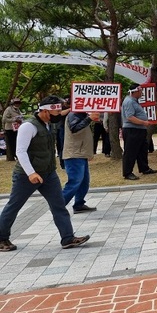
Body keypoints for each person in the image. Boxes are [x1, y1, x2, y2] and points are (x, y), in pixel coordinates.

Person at [0, 95, 90, 252]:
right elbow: (20, 152)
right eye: (56, 112)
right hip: (26, 176)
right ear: (46, 111)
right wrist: (31, 173)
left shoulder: (48, 123)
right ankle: (1, 238)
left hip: (48, 174)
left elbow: (62, 114)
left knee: (59, 205)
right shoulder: (28, 127)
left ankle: (68, 238)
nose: (58, 115)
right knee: (14, 206)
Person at [62, 110, 101, 213]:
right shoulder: (73, 114)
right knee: (75, 181)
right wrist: (89, 119)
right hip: (74, 154)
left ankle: (79, 204)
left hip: (81, 153)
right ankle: (58, 206)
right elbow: (74, 129)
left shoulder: (81, 114)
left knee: (84, 182)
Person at [121, 83, 157, 180]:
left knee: (142, 150)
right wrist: (143, 122)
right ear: (135, 92)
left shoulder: (135, 101)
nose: (142, 93)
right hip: (132, 130)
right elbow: (130, 117)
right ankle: (127, 173)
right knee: (130, 151)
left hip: (139, 130)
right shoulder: (129, 101)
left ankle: (144, 168)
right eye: (140, 91)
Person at [2, 97, 23, 162]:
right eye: (16, 103)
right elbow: (4, 119)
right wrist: (14, 119)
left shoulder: (18, 110)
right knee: (12, 143)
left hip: (17, 128)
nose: (17, 104)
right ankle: (14, 155)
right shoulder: (8, 109)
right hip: (10, 129)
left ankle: (17, 155)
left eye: (19, 103)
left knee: (17, 142)